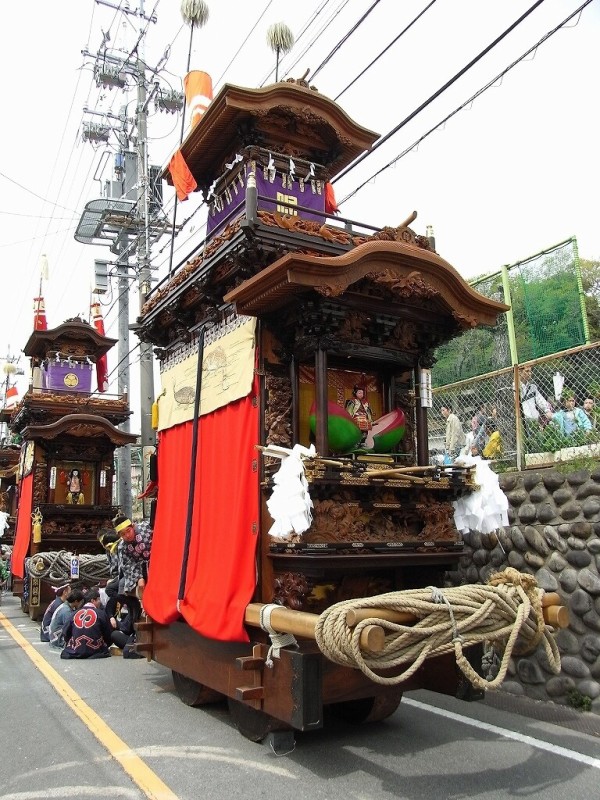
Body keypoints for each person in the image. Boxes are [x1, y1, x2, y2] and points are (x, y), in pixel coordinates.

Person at [113, 515, 153, 608]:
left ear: (133, 526)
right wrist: (139, 578)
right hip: (142, 568)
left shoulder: (146, 527)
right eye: (123, 534)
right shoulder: (122, 547)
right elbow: (128, 565)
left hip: (157, 560)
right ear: (119, 535)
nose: (127, 535)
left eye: (128, 531)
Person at [61, 588, 113, 659]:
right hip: (95, 649)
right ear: (93, 600)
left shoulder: (74, 613)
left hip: (76, 649)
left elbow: (65, 632)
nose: (100, 602)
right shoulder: (101, 614)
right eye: (98, 599)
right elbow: (108, 634)